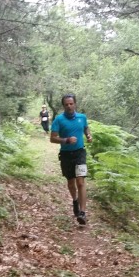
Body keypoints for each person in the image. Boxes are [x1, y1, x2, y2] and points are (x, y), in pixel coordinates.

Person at [50, 94, 92, 224]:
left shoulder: (82, 117)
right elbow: (52, 138)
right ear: (63, 106)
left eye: (71, 103)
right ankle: (75, 200)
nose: (69, 106)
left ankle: (82, 213)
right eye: (66, 104)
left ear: (75, 104)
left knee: (81, 182)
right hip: (66, 155)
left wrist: (88, 135)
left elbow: (85, 128)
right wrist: (66, 140)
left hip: (80, 153)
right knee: (71, 183)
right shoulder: (59, 120)